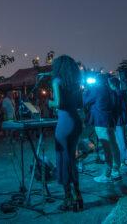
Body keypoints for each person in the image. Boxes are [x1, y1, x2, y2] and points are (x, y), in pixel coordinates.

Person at [48, 55, 83, 211]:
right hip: (76, 122)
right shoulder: (75, 83)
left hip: (64, 123)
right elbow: (79, 103)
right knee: (71, 160)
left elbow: (58, 103)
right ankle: (78, 197)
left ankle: (68, 199)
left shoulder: (57, 81)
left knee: (63, 160)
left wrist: (49, 102)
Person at [83, 74, 121, 183]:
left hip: (100, 121)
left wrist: (86, 90)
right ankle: (116, 170)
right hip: (110, 120)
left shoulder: (96, 90)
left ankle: (107, 174)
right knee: (113, 145)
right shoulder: (110, 90)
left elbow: (84, 101)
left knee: (106, 148)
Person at [109, 77, 127, 166]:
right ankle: (124, 158)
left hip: (118, 120)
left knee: (121, 140)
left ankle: (125, 158)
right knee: (121, 139)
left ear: (113, 85)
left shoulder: (117, 94)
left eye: (109, 84)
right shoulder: (122, 93)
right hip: (121, 120)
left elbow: (116, 108)